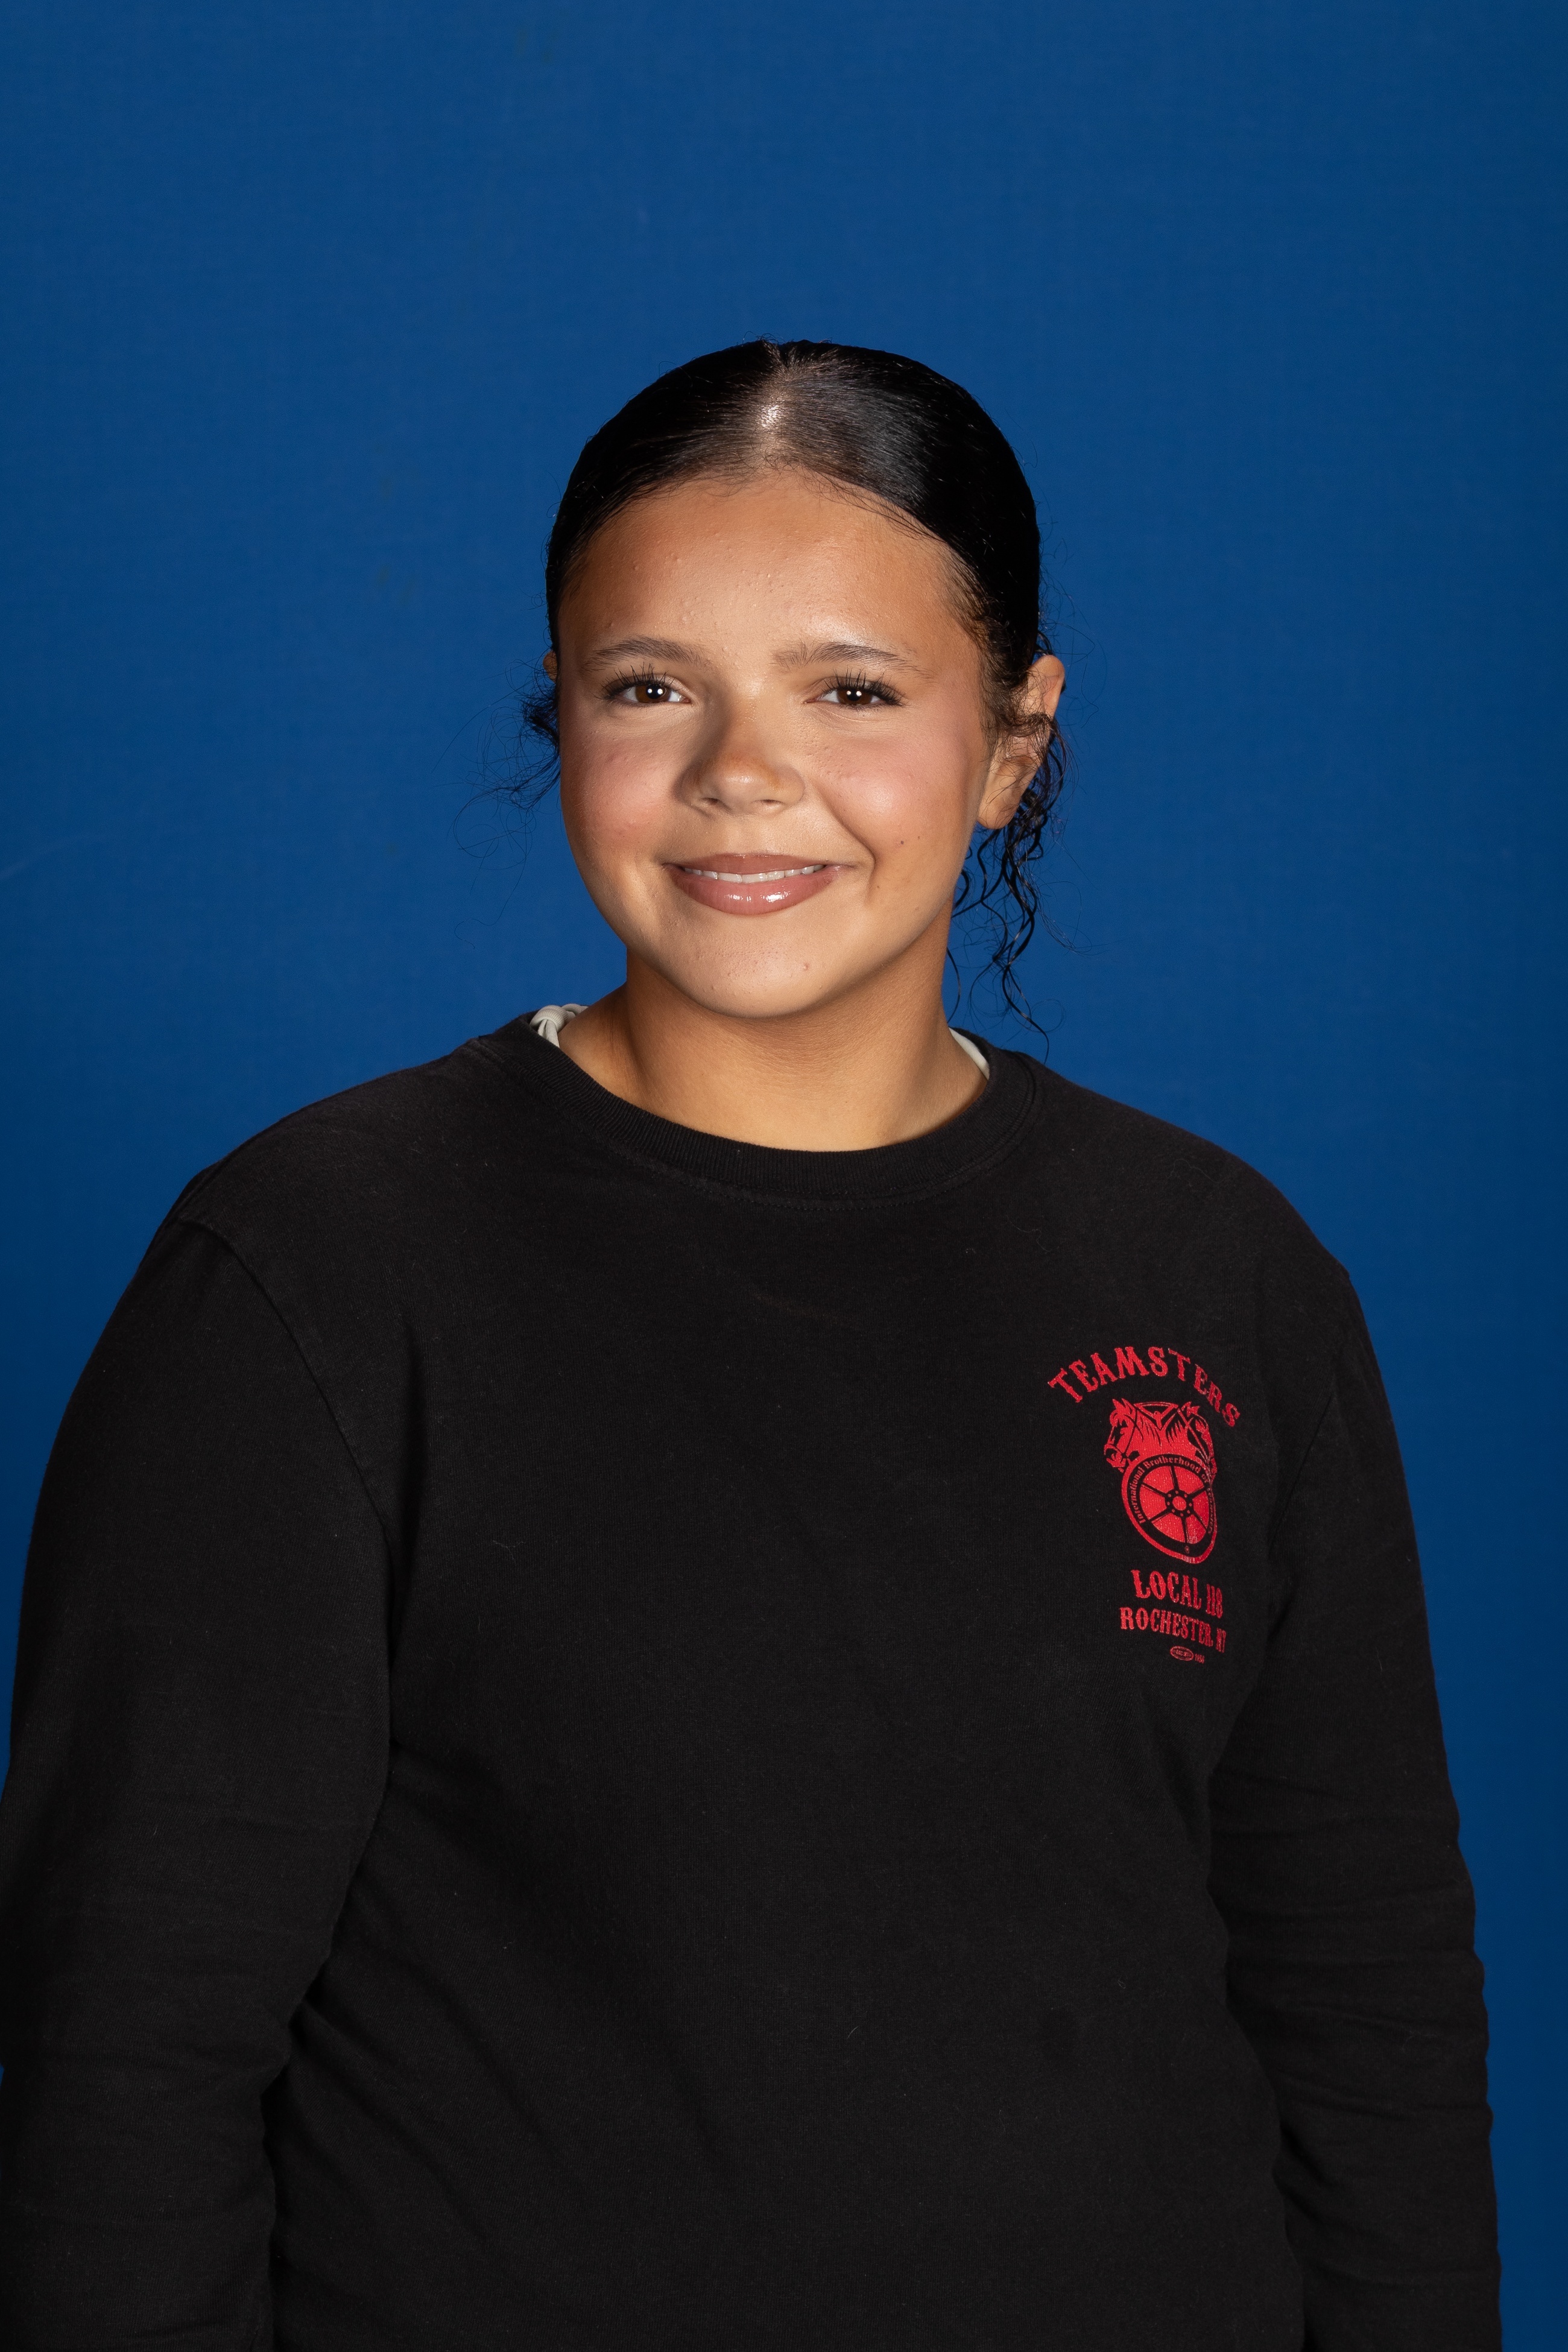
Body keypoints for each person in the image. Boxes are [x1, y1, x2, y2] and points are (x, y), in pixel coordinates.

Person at [0, 341, 1499, 2350]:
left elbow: (1368, 2001)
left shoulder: (1225, 1276)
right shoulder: (310, 1275)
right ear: (561, 711)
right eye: (651, 687)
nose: (740, 773)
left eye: (851, 690)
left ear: (1014, 741)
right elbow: (121, 2063)